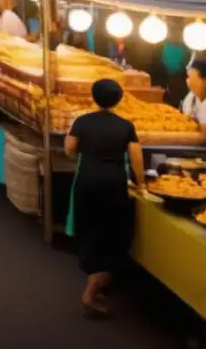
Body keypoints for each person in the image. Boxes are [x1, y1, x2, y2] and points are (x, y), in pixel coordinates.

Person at [65, 79, 146, 318]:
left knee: (88, 226)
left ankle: (92, 282)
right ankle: (95, 285)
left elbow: (70, 148)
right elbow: (136, 158)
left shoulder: (82, 122)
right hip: (114, 183)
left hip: (87, 180)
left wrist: (85, 153)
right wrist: (141, 183)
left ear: (93, 97)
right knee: (110, 231)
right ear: (119, 99)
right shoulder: (126, 125)